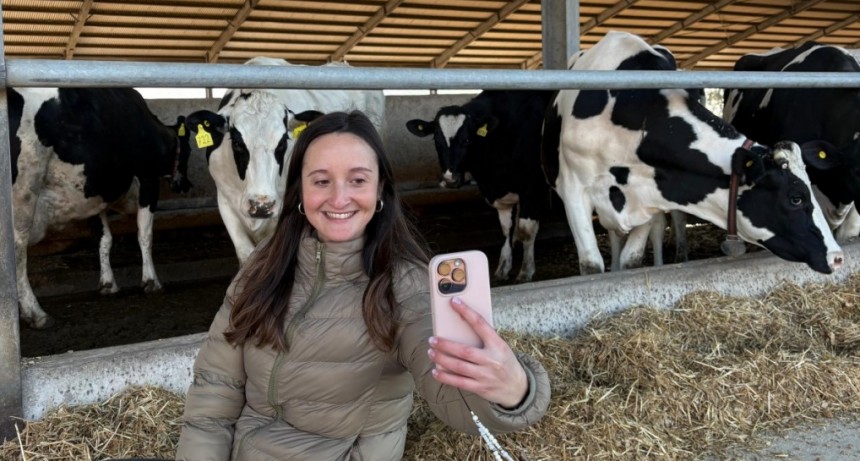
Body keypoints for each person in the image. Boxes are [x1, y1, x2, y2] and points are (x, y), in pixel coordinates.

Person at [175, 110, 551, 460]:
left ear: (380, 189)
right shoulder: (263, 265)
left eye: (358, 180)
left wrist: (513, 391)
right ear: (300, 191)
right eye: (321, 181)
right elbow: (215, 389)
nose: (339, 198)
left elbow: (452, 396)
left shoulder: (405, 285)